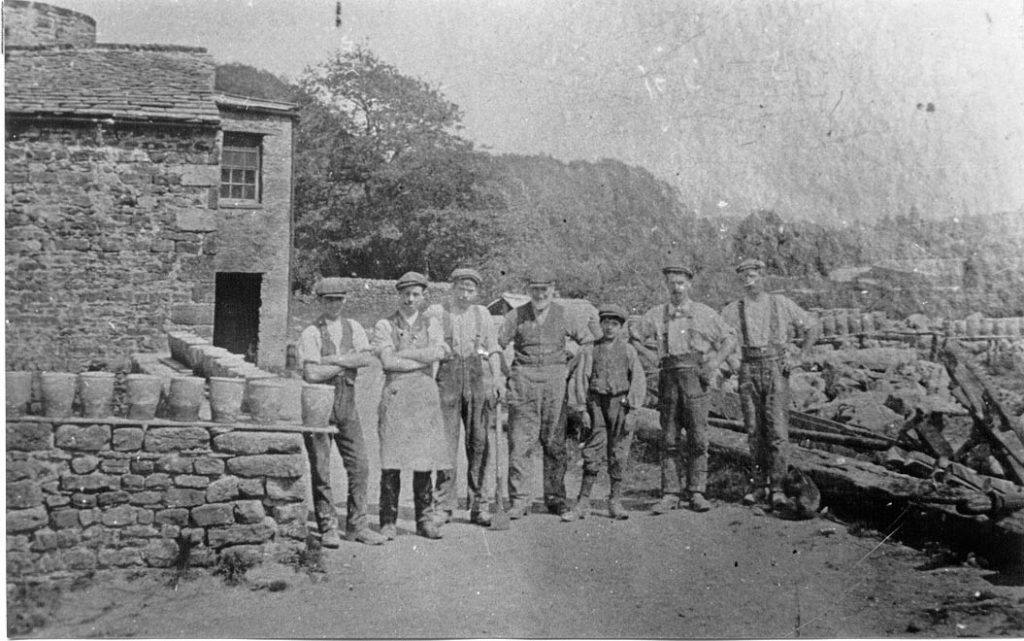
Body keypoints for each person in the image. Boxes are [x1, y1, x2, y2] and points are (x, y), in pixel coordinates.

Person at [634, 265, 737, 514]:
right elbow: (634, 336)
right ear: (666, 286)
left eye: (681, 283)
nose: (676, 288)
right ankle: (670, 493)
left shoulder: (704, 313)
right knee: (669, 437)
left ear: (689, 285)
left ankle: (697, 491)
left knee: (698, 437)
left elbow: (730, 339)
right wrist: (652, 357)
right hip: (668, 379)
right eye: (671, 283)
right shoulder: (656, 315)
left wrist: (713, 363)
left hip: (696, 380)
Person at [720, 258, 820, 511]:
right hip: (748, 367)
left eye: (753, 275)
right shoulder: (733, 309)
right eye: (744, 276)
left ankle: (777, 487)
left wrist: (799, 356)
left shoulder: (780, 303)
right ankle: (758, 485)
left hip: (776, 367)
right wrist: (733, 363)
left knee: (777, 430)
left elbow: (812, 326)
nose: (748, 280)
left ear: (763, 276)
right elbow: (719, 338)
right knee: (753, 430)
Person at [497, 270, 596, 521]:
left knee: (554, 441)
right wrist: (506, 374)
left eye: (545, 289)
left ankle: (555, 498)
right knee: (521, 443)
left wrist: (568, 364)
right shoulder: (516, 315)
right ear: (528, 290)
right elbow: (497, 344)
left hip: (555, 382)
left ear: (553, 289)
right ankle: (520, 500)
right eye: (535, 289)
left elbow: (586, 340)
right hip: (524, 380)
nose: (540, 294)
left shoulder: (564, 314)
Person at [297, 277, 385, 547]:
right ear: (320, 301)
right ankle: (327, 527)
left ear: (345, 300)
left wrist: (331, 361)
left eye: (338, 299)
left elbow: (366, 358)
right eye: (328, 300)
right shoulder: (310, 333)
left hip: (347, 403)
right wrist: (345, 363)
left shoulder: (354, 327)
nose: (333, 304)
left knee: (360, 466)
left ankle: (357, 526)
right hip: (318, 404)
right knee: (322, 469)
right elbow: (312, 373)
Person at [373, 271, 450, 540]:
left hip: (424, 398)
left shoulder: (432, 324)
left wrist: (403, 354)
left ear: (423, 296)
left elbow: (439, 352)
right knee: (391, 460)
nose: (410, 299)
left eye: (415, 294)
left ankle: (424, 520)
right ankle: (388, 521)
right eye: (406, 294)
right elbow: (388, 362)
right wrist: (423, 360)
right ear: (399, 295)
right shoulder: (385, 325)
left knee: (423, 459)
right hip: (396, 395)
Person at [432, 267, 504, 527]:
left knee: (479, 443)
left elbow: (493, 349)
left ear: (476, 292)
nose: (465, 294)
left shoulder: (481, 314)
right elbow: (432, 352)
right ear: (452, 288)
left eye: (470, 289)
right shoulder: (438, 313)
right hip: (447, 380)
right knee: (445, 445)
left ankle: (479, 505)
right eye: (461, 288)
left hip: (476, 380)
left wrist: (496, 379)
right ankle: (443, 506)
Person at [564, 304, 646, 520]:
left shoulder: (629, 351)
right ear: (600, 325)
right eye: (606, 323)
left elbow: (638, 381)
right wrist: (582, 409)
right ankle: (582, 503)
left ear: (621, 328)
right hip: (596, 405)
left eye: (615, 324)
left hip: (620, 405)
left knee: (619, 452)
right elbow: (581, 379)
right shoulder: (591, 350)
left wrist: (633, 412)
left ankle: (615, 502)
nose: (609, 328)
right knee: (593, 450)